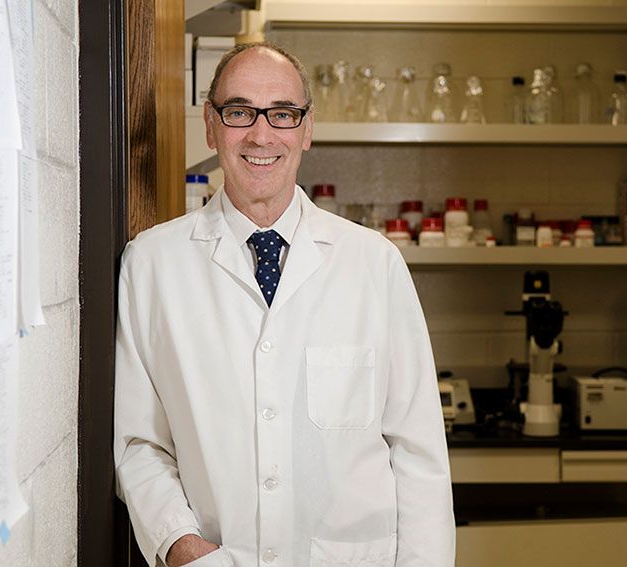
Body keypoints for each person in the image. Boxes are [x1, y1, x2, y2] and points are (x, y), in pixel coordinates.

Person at [113, 42, 455, 567]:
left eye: (283, 114)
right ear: (210, 125)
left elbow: (419, 455)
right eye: (239, 112)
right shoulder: (152, 264)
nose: (261, 134)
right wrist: (181, 546)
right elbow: (139, 444)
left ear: (307, 128)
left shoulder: (374, 264)